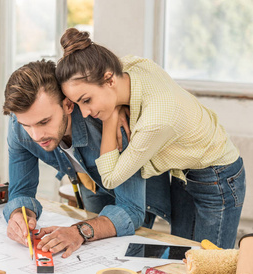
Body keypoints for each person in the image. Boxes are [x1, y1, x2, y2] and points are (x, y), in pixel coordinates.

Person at [55, 28, 246, 249]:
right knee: (184, 258)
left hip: (218, 178)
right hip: (184, 173)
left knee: (211, 269)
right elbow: (124, 62)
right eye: (77, 104)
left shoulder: (157, 120)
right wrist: (114, 104)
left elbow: (109, 178)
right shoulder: (134, 67)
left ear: (109, 80)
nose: (85, 113)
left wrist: (113, 114)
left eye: (86, 100)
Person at [2, 60, 170, 258]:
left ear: (68, 104)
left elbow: (131, 210)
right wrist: (19, 215)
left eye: (44, 122)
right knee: (97, 255)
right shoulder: (19, 125)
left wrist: (78, 231)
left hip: (141, 190)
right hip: (90, 182)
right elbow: (20, 191)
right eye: (26, 125)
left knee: (129, 256)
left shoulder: (110, 124)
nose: (36, 135)